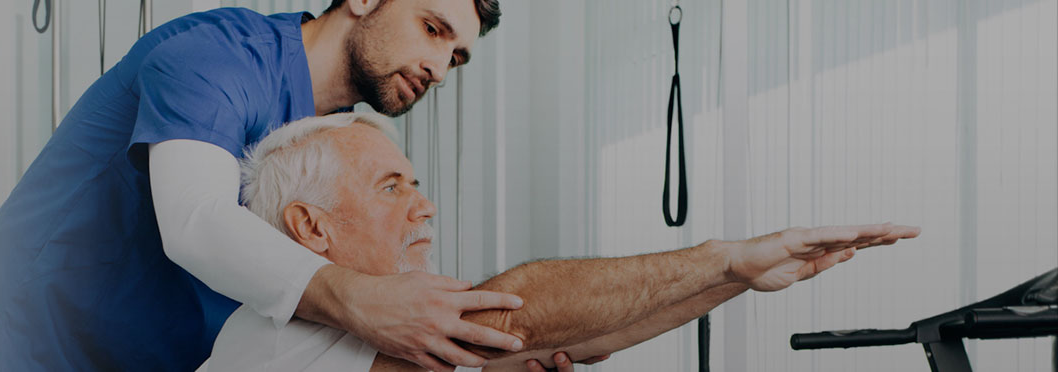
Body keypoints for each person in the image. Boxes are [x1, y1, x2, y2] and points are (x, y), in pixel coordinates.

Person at [0, 0, 538, 371]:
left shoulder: (338, 136)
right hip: (29, 345)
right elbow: (196, 220)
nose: (439, 67)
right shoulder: (217, 58)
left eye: (455, 57)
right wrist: (361, 302)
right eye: (433, 29)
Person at [200, 112, 920, 371]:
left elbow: (572, 338)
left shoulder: (371, 334)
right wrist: (722, 257)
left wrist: (736, 279)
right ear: (311, 228)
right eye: (392, 187)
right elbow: (516, 320)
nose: (425, 208)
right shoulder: (275, 334)